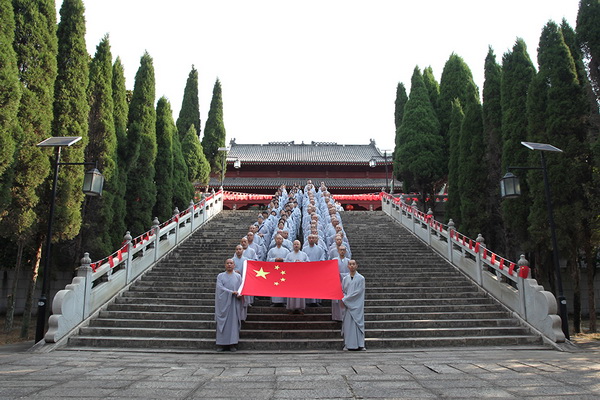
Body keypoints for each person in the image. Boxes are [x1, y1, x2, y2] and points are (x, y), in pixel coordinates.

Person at [215, 259, 242, 352]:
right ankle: (221, 344)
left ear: (234, 265)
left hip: (234, 303)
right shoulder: (220, 276)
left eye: (231, 263)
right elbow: (220, 289)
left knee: (233, 323)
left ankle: (232, 344)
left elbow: (241, 288)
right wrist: (231, 292)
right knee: (223, 324)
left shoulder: (238, 276)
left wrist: (239, 294)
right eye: (227, 263)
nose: (229, 265)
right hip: (223, 304)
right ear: (225, 265)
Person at [341, 259, 365, 351]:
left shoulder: (361, 278)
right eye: (350, 264)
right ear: (348, 266)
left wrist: (346, 299)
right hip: (348, 305)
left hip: (357, 304)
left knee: (358, 323)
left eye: (353, 264)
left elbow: (359, 292)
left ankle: (360, 344)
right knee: (348, 325)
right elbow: (343, 291)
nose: (351, 266)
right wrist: (345, 298)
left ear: (356, 266)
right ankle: (347, 344)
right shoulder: (345, 279)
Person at [284, 240, 309, 313]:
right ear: (293, 245)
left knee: (300, 292)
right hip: (292, 276)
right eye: (295, 244)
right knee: (292, 292)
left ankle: (300, 308)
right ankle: (291, 308)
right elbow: (286, 264)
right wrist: (294, 263)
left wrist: (302, 263)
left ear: (300, 245)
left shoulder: (304, 254)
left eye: (297, 244)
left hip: (301, 276)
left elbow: (308, 264)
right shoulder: (289, 255)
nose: (296, 245)